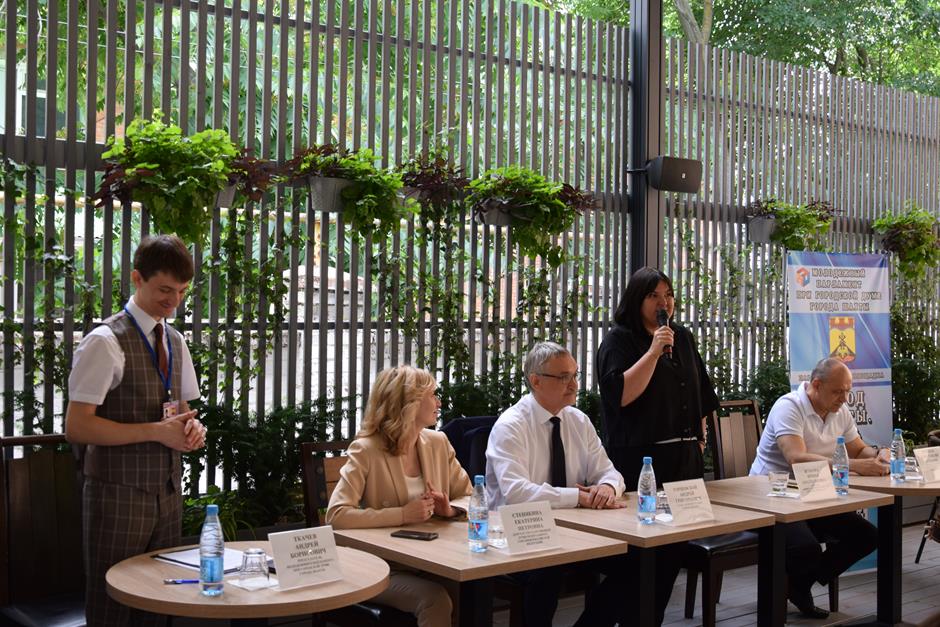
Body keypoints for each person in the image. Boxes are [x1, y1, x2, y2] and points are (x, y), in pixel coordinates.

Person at [65, 234, 207, 626]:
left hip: (168, 494)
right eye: (165, 289)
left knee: (161, 603)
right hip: (116, 495)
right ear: (137, 278)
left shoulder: (175, 341)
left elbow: (182, 412)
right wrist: (156, 432)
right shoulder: (104, 341)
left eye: (181, 291)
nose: (174, 301)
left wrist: (193, 430)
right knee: (112, 607)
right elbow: (77, 426)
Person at [595, 266, 719, 624]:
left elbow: (699, 392)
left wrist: (699, 438)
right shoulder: (619, 341)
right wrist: (652, 352)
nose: (663, 303)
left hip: (684, 461)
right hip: (642, 463)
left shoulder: (683, 337)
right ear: (636, 300)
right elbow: (619, 396)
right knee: (639, 559)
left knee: (671, 554)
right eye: (653, 296)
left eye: (668, 295)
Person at [485, 341, 628, 627]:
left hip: (573, 534)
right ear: (535, 381)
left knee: (636, 560)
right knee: (546, 569)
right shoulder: (511, 425)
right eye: (564, 377)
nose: (574, 385)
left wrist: (607, 488)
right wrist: (578, 497)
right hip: (518, 534)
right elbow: (516, 493)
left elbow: (610, 473)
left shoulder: (578, 421)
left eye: (575, 375)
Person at [326, 365, 472, 627]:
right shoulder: (366, 449)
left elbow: (471, 497)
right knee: (435, 599)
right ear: (409, 404)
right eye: (432, 395)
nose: (439, 402)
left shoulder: (438, 442)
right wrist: (403, 514)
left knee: (471, 587)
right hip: (380, 567)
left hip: (433, 561)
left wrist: (450, 510)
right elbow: (336, 515)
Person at [750, 357, 884, 618]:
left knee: (868, 535)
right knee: (806, 548)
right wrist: (857, 466)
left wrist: (879, 455)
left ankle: (798, 585)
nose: (844, 398)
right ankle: (793, 589)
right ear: (816, 385)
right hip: (772, 497)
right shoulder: (789, 406)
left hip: (813, 495)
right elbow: (796, 457)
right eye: (838, 391)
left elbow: (858, 449)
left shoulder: (839, 410)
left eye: (847, 391)